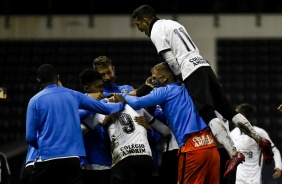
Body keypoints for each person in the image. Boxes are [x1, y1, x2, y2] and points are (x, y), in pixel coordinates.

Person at [131, 4, 274, 177]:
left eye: (139, 25)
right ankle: (260, 140)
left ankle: (234, 153)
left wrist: (181, 80)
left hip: (190, 70)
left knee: (207, 112)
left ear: (145, 19)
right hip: (203, 64)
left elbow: (171, 59)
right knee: (226, 108)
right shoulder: (174, 24)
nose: (139, 29)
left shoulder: (155, 31)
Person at [121, 62, 220, 184]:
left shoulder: (164, 91)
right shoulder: (188, 88)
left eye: (154, 77)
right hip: (210, 146)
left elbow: (136, 102)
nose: (153, 81)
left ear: (164, 78)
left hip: (192, 149)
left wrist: (122, 95)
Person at [25, 64, 125, 184]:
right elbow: (104, 108)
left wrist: (45, 146)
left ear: (38, 80)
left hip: (47, 157)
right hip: (72, 158)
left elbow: (30, 137)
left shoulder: (34, 101)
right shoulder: (73, 94)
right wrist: (120, 104)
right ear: (57, 77)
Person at [230, 103, 282, 184]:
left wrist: (279, 166)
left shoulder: (259, 133)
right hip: (238, 181)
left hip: (254, 181)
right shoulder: (233, 133)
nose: (233, 118)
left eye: (236, 115)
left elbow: (274, 150)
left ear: (243, 117)